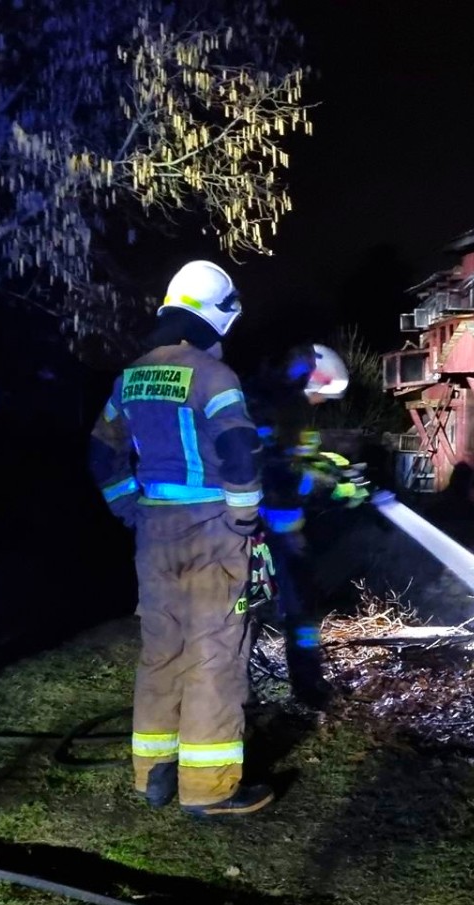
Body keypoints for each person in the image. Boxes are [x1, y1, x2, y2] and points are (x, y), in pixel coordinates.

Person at [89, 260, 273, 817]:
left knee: (161, 651)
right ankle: (210, 788)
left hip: (153, 532)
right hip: (213, 532)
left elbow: (101, 452)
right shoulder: (215, 377)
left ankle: (153, 774)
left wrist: (126, 504)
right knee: (215, 655)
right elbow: (240, 450)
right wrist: (244, 518)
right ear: (216, 316)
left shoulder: (131, 377)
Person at [246, 343, 367, 708]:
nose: (320, 403)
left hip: (283, 530)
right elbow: (276, 472)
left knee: (298, 610)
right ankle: (246, 691)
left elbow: (300, 456)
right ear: (308, 382)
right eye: (320, 395)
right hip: (258, 528)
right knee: (252, 610)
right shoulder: (265, 408)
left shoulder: (283, 405)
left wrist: (332, 465)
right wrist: (331, 485)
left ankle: (307, 684)